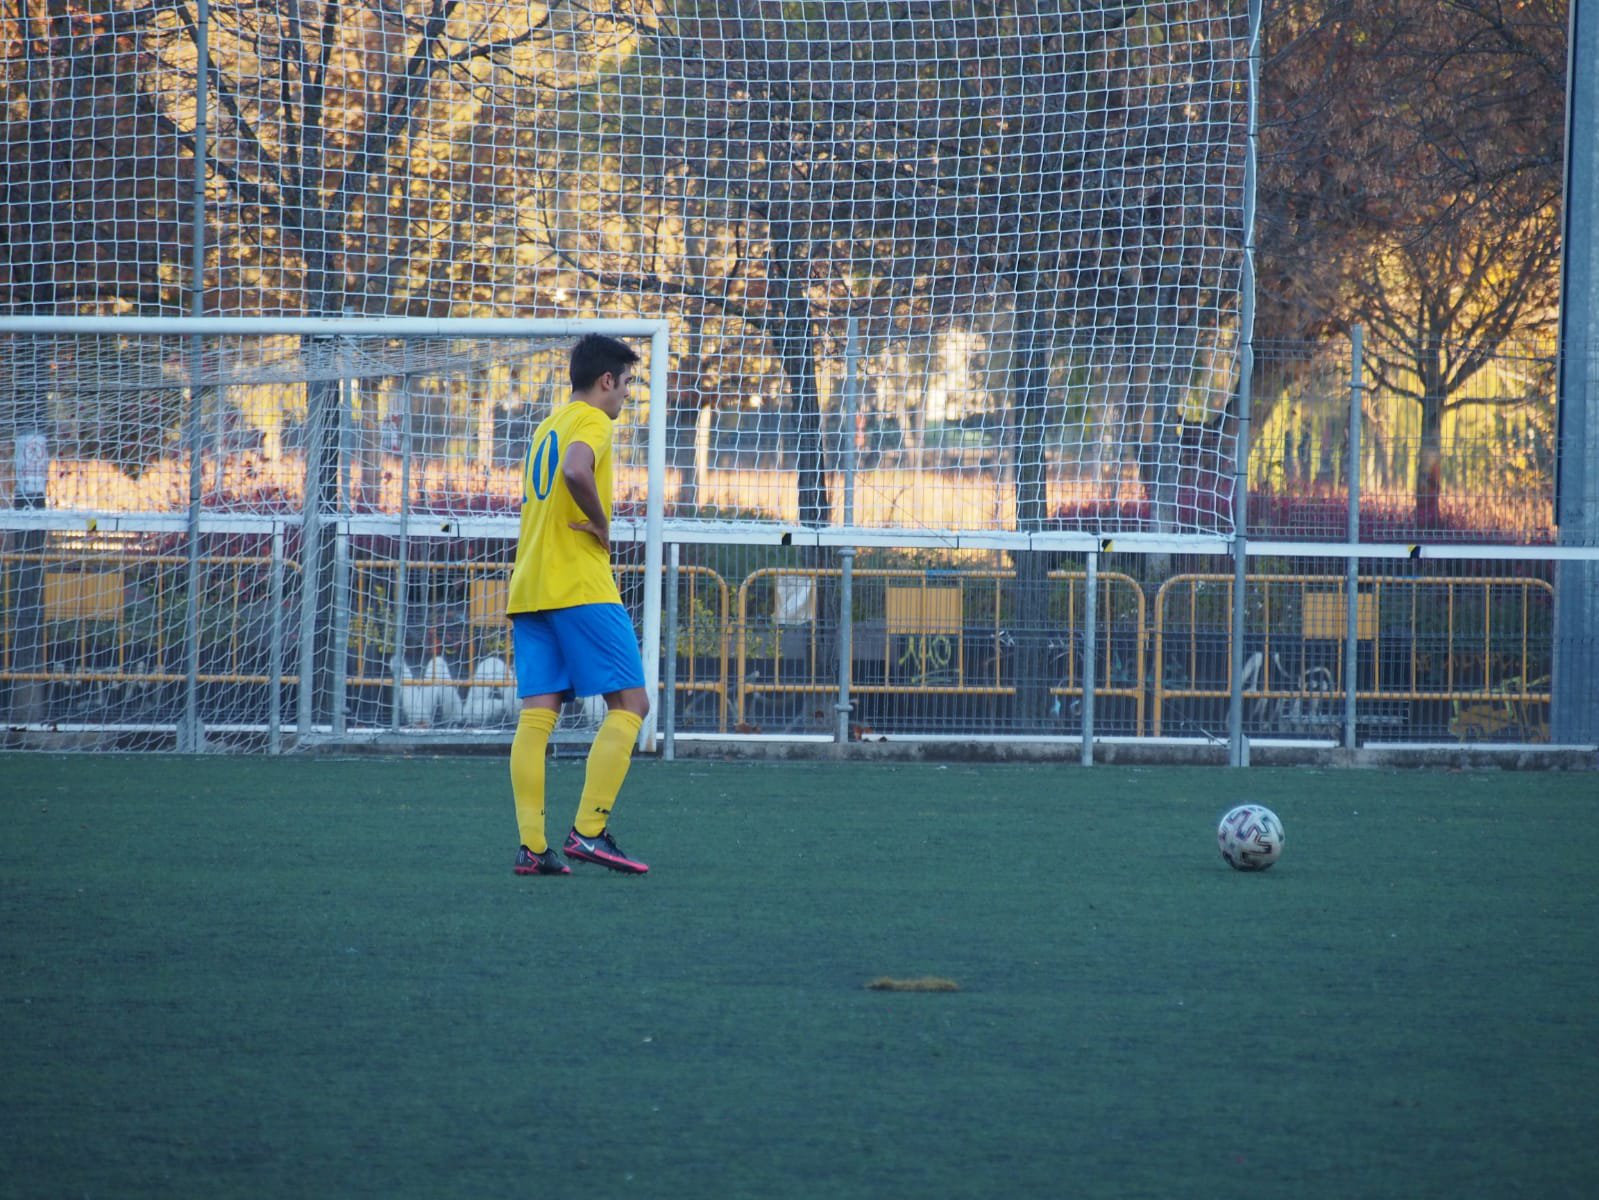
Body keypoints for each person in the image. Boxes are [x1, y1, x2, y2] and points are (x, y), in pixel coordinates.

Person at [506, 333, 650, 876]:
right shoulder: (593, 420)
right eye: (627, 383)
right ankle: (589, 832)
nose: (627, 394)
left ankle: (532, 847)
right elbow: (574, 470)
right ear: (606, 380)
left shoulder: (547, 425)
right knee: (632, 704)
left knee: (537, 716)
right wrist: (602, 523)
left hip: (530, 588)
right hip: (579, 586)